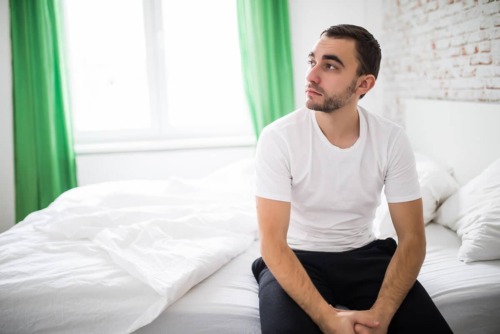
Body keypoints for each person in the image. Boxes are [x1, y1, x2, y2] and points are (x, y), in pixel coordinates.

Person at [252, 24, 453, 334]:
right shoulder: (278, 137)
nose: (311, 76)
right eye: (312, 62)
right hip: (295, 257)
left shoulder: (391, 139)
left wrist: (381, 316)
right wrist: (326, 318)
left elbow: (412, 238)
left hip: (365, 257)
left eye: (330, 65)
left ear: (364, 84)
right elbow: (272, 243)